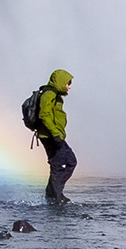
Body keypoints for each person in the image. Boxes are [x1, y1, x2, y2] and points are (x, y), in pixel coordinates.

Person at [22, 69, 77, 203]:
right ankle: (55, 197)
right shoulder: (49, 94)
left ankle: (54, 194)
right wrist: (56, 134)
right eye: (68, 83)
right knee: (64, 163)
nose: (69, 86)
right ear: (60, 81)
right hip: (50, 136)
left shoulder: (55, 94)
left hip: (52, 134)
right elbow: (44, 115)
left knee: (66, 162)